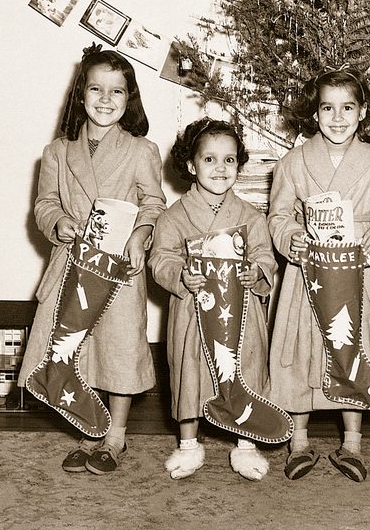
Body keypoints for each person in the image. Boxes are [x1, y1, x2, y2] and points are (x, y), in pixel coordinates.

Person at [18, 44, 166, 474]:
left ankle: (115, 436)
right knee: (74, 351)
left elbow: (153, 203)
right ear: (80, 95)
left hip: (118, 266)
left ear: (129, 98)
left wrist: (141, 234)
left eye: (117, 92)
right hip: (72, 264)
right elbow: (44, 203)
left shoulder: (142, 150)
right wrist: (59, 222)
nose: (105, 99)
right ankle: (89, 429)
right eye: (96, 89)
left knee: (118, 349)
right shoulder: (58, 152)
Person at [268, 66, 370, 482]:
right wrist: (291, 237)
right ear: (315, 112)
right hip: (307, 271)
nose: (338, 118)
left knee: (354, 347)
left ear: (362, 113)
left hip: (355, 268)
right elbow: (278, 215)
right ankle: (299, 441)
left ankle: (353, 443)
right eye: (328, 108)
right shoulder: (293, 162)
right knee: (300, 346)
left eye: (348, 108)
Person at [148, 118, 278, 481]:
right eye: (209, 160)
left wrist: (258, 272)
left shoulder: (251, 216)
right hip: (194, 310)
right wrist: (179, 275)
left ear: (239, 163)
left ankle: (246, 443)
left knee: (246, 367)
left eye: (229, 160)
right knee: (190, 370)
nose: (220, 168)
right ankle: (189, 443)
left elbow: (265, 256)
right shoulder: (174, 216)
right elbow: (160, 258)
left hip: (243, 312)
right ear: (191, 165)